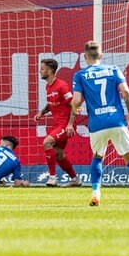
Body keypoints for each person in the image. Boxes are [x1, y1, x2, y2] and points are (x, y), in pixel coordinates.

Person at [72, 40, 129, 207]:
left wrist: (74, 108)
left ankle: (95, 193)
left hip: (97, 124)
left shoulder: (80, 75)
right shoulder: (113, 69)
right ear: (101, 55)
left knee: (97, 157)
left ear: (85, 57)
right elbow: (126, 92)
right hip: (117, 121)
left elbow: (77, 100)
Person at [34, 58, 81, 187]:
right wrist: (42, 113)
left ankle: (52, 178)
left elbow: (74, 105)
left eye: (42, 69)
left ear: (49, 71)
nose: (40, 71)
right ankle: (75, 179)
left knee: (47, 142)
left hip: (66, 125)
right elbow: (51, 103)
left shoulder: (62, 86)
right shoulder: (48, 86)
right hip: (58, 124)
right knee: (59, 155)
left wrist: (70, 124)